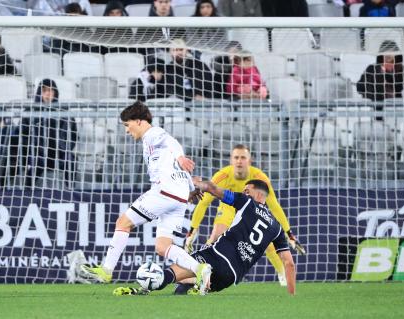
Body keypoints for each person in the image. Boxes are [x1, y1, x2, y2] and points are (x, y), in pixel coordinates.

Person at [81, 101, 212, 294]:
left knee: (123, 223)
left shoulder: (152, 134)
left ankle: (106, 270)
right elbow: (175, 167)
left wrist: (180, 157)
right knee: (163, 246)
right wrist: (191, 187)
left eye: (128, 125)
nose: (127, 131)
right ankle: (200, 269)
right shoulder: (153, 143)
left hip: (164, 192)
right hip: (179, 197)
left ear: (140, 121)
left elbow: (171, 142)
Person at [113, 179, 296, 296]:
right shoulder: (277, 228)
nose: (244, 192)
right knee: (183, 288)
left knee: (170, 275)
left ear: (258, 194)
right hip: (230, 276)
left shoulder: (246, 202)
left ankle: (141, 289)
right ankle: (149, 291)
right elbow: (289, 263)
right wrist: (291, 294)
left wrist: (191, 185)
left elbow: (211, 188)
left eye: (247, 190)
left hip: (216, 256)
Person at [185, 144, 304, 287]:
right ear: (231, 160)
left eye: (243, 157)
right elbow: (203, 203)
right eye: (236, 157)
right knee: (216, 235)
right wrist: (192, 229)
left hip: (253, 210)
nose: (239, 161)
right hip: (228, 208)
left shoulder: (260, 178)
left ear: (249, 160)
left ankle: (281, 273)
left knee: (267, 240)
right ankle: (196, 270)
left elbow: (275, 207)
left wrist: (289, 233)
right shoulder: (222, 175)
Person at [20, 79, 78, 187]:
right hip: (38, 154)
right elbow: (22, 134)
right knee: (31, 162)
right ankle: (26, 193)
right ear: (39, 92)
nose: (48, 93)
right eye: (44, 90)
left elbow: (73, 135)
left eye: (51, 90)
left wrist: (63, 148)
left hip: (59, 154)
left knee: (71, 159)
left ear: (55, 93)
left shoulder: (64, 111)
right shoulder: (30, 111)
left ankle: (71, 191)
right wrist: (33, 149)